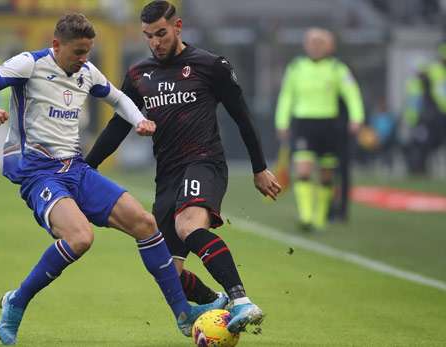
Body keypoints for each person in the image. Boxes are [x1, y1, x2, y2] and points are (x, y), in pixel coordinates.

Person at [0, 13, 226, 345]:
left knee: (145, 223)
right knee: (80, 238)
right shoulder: (29, 65)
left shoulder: (86, 72)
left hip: (76, 169)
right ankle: (17, 301)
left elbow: (117, 97)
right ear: (56, 45)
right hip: (39, 173)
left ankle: (182, 313)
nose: (84, 59)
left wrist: (139, 119)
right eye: (78, 52)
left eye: (88, 52)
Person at [85, 1, 280, 334]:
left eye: (161, 33)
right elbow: (119, 126)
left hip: (205, 163)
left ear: (177, 27)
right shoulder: (138, 74)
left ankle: (241, 300)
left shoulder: (211, 65)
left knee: (188, 225)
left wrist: (259, 168)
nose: (156, 42)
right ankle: (214, 301)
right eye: (148, 36)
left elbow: (242, 118)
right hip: (168, 175)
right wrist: (86, 169)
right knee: (166, 270)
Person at [274, 28, 364, 231]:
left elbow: (352, 94)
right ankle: (306, 216)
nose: (315, 45)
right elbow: (287, 95)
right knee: (303, 170)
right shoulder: (296, 67)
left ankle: (320, 217)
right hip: (303, 123)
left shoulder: (337, 69)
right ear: (306, 45)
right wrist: (282, 122)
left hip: (328, 125)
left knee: (326, 174)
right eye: (312, 41)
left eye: (320, 42)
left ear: (329, 46)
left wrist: (357, 118)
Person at [403, 42, 446, 176]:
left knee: (426, 143)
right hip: (424, 118)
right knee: (422, 144)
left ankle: (419, 168)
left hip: (428, 116)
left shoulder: (429, 75)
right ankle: (417, 169)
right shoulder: (433, 73)